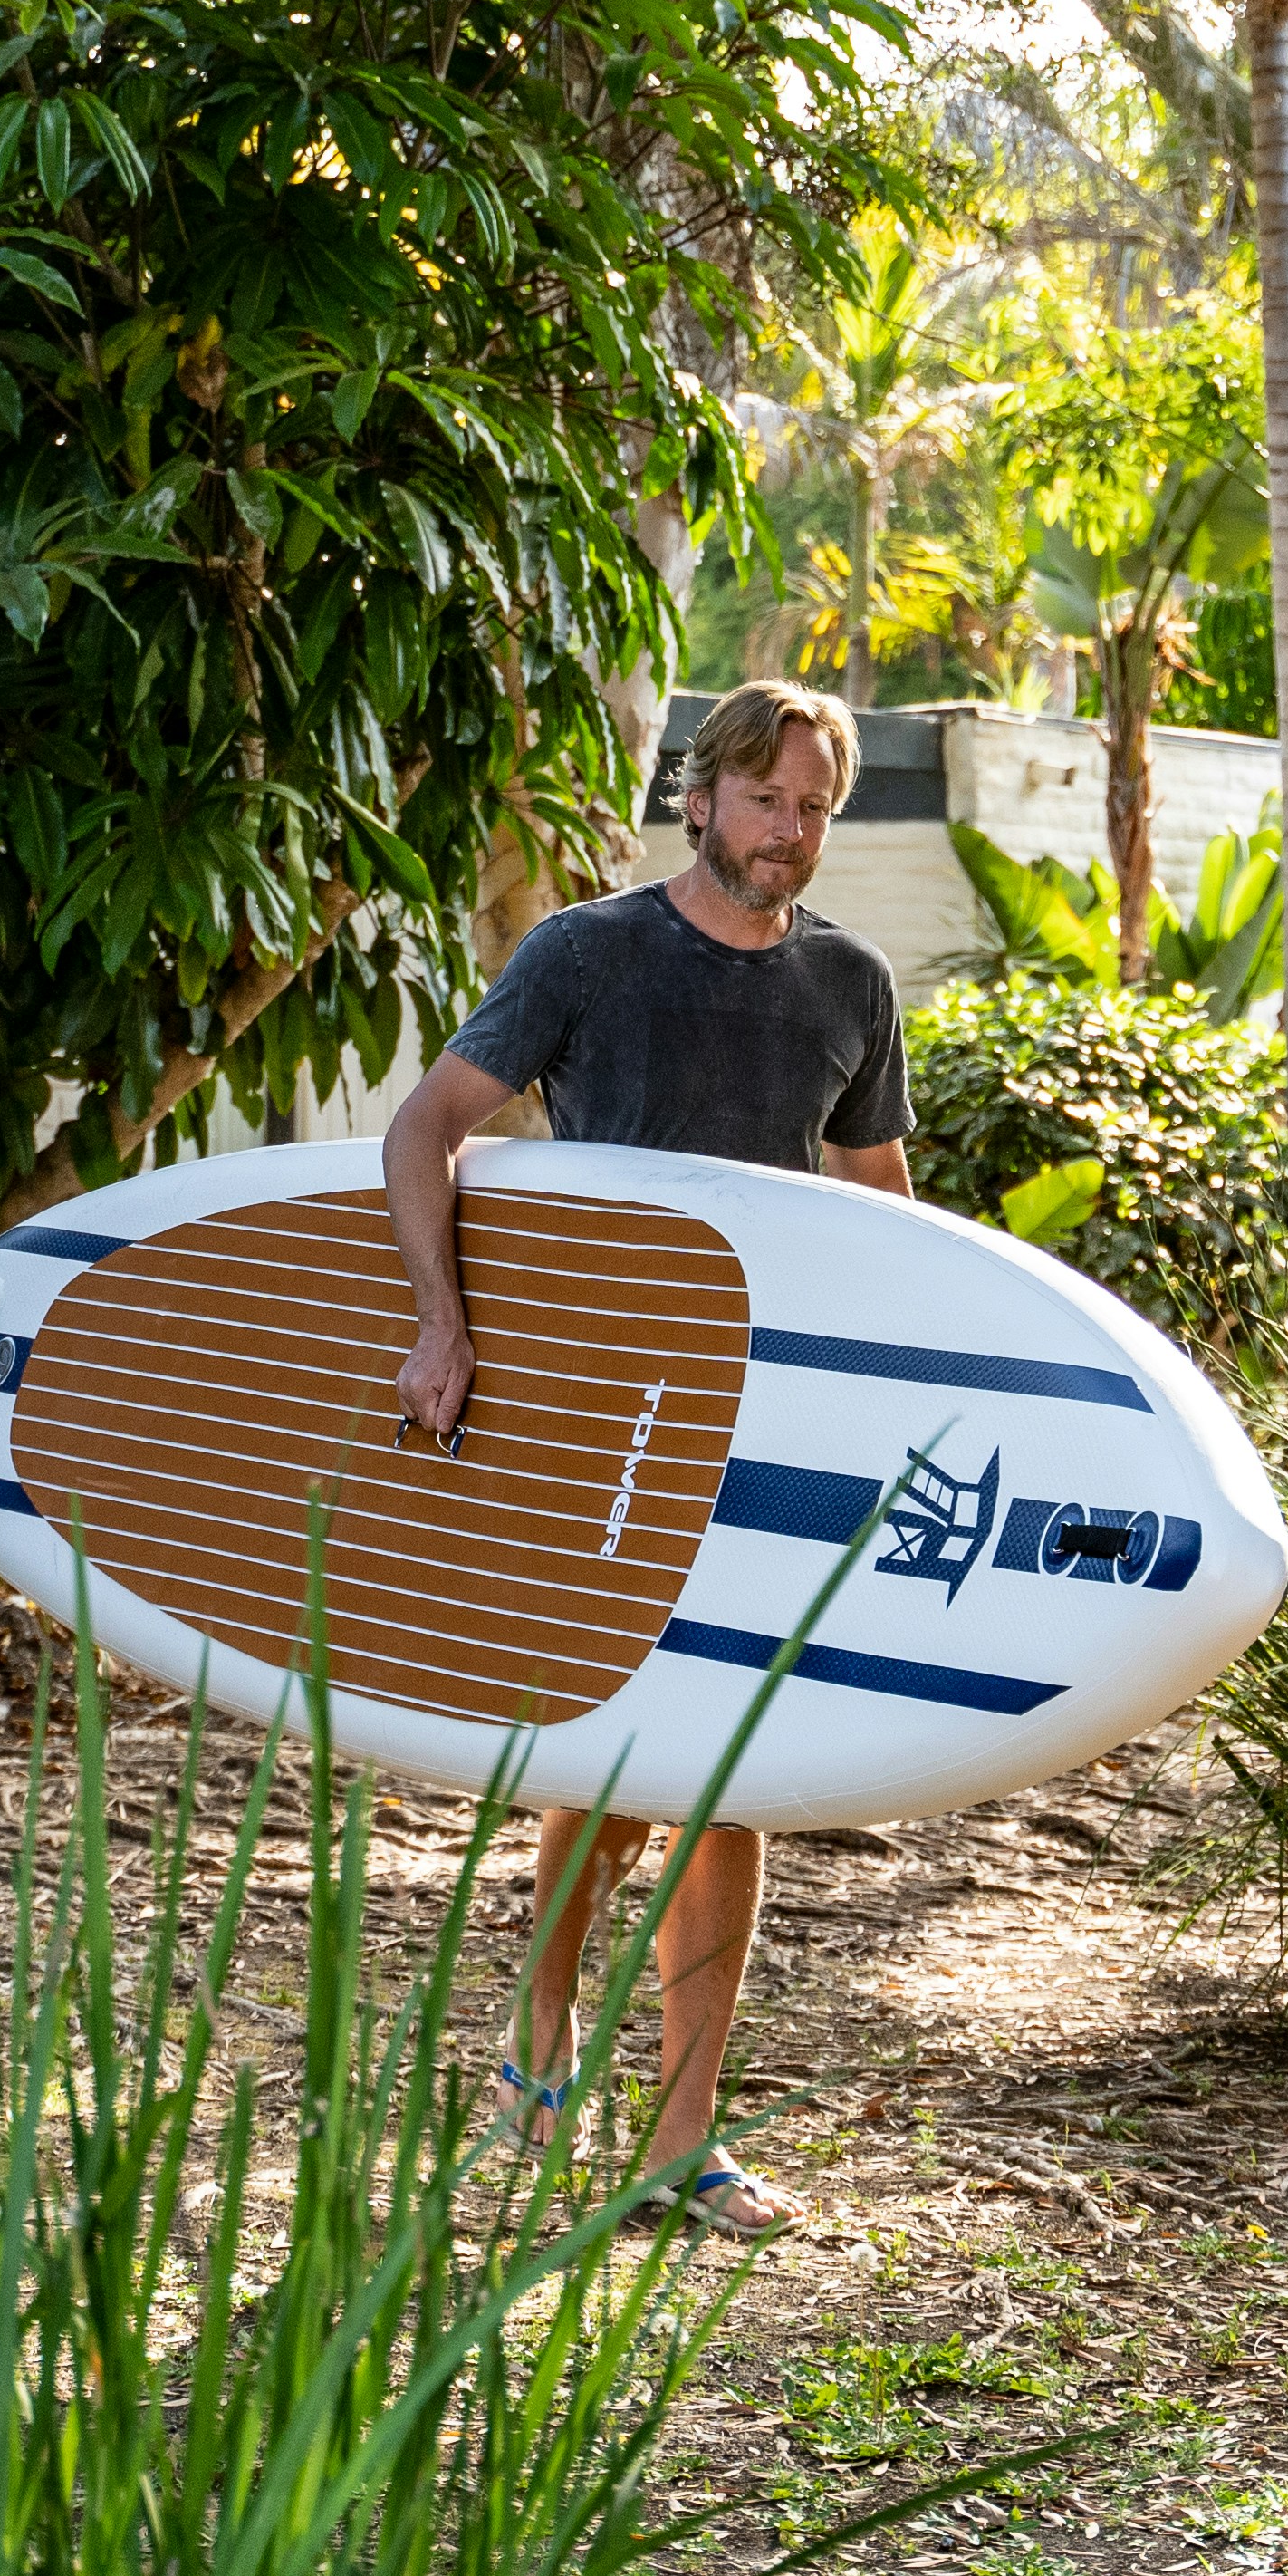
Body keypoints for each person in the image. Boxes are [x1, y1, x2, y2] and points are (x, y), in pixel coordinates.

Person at [380, 680, 913, 2241]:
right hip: (594, 1411)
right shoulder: (587, 956)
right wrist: (442, 1325)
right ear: (702, 799)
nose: (791, 832)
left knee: (727, 1775)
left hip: (763, 1423)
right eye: (767, 801)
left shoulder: (851, 984)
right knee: (607, 1762)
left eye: (816, 805)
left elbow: (883, 1206)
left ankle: (680, 2139)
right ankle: (541, 2034)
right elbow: (429, 1130)